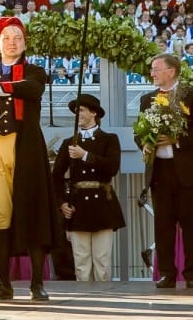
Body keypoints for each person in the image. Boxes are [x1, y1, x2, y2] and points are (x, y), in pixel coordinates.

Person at [0, 16, 56, 302]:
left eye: (17, 37)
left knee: (32, 213)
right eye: (7, 37)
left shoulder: (34, 71)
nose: (12, 42)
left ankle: (37, 284)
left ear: (24, 42)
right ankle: (3, 282)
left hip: (25, 150)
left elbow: (32, 88)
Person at [140, 53, 193, 290]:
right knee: (163, 224)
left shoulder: (192, 95)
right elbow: (139, 131)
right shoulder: (147, 99)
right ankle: (167, 273)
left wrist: (176, 139)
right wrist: (146, 143)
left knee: (190, 223)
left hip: (187, 170)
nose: (152, 73)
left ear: (171, 71)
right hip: (160, 170)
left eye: (156, 68)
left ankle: (192, 273)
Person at [51, 94, 125, 282]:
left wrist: (85, 156)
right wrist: (62, 203)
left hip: (102, 204)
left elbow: (112, 167)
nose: (78, 115)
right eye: (76, 112)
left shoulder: (109, 139)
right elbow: (56, 177)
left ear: (93, 113)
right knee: (81, 261)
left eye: (81, 110)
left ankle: (105, 300)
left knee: (102, 259)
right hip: (78, 206)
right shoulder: (69, 143)